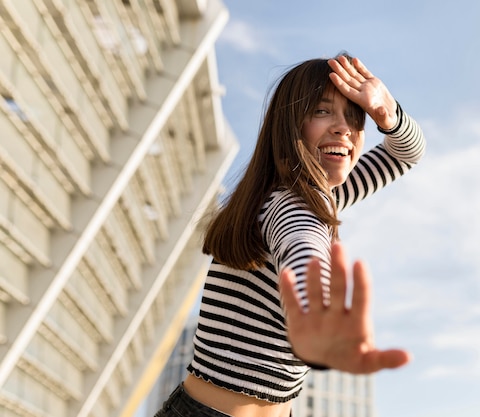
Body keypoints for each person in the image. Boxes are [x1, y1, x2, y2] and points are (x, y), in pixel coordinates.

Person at [154, 53, 426, 417]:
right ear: (290, 124)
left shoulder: (323, 196)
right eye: (322, 111)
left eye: (354, 116)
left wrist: (387, 114)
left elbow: (407, 154)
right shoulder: (291, 204)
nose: (344, 128)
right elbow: (302, 247)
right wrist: (315, 311)